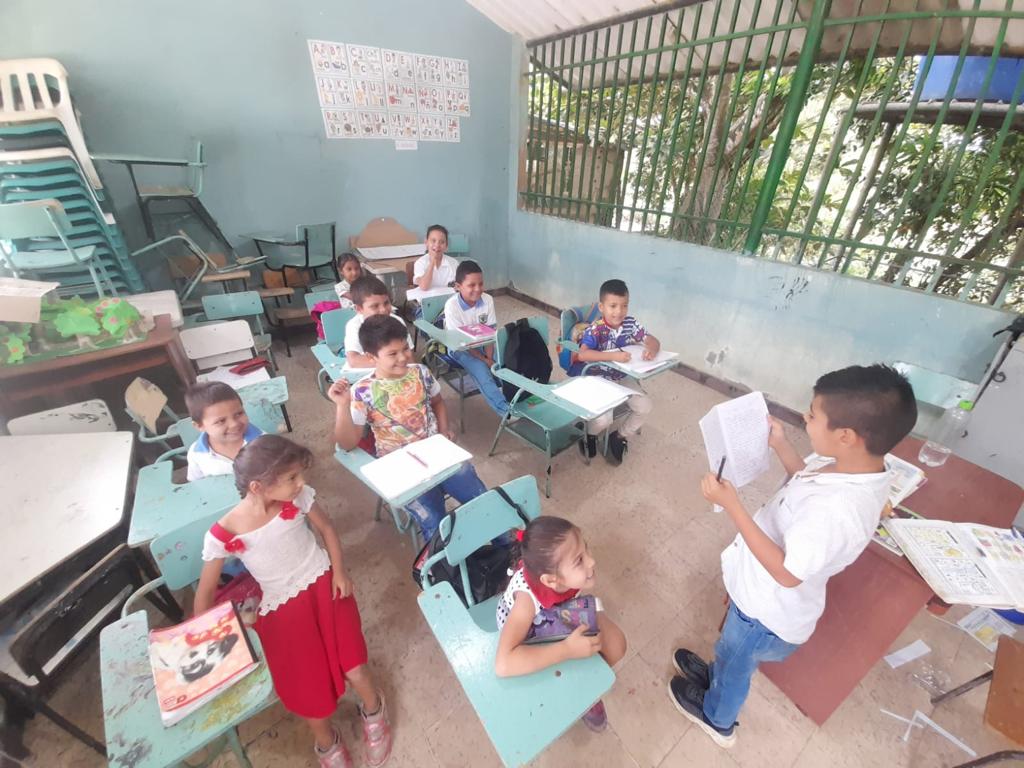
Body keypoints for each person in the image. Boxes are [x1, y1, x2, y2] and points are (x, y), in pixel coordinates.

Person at [668, 364, 917, 749]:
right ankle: (718, 674)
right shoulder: (854, 466)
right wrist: (782, 445)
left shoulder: (836, 512)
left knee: (736, 663)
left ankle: (718, 718)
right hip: (761, 599)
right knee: (730, 654)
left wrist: (732, 505)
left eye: (813, 415)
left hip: (765, 613)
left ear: (846, 436)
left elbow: (787, 573)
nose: (805, 417)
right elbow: (807, 477)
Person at [194, 435, 392, 768]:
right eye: (292, 477)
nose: (302, 482)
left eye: (300, 474)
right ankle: (326, 744)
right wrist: (223, 629)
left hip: (327, 588)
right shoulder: (224, 533)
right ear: (257, 487)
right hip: (282, 609)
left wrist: (339, 572)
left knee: (354, 666)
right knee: (307, 688)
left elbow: (327, 529)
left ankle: (374, 712)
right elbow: (204, 597)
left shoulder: (298, 497)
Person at [329, 315, 487, 541]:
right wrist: (342, 405)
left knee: (481, 499)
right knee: (434, 522)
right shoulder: (362, 391)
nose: (403, 357)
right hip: (400, 468)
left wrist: (443, 430)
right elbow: (347, 443)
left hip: (437, 453)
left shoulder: (420, 372)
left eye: (405, 348)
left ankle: (506, 545)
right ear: (371, 357)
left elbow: (438, 402)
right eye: (392, 353)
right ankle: (445, 560)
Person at [494, 515, 626, 732]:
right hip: (530, 632)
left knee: (616, 645)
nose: (592, 561)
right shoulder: (526, 602)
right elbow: (503, 664)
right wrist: (566, 650)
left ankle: (585, 687)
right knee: (575, 657)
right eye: (579, 560)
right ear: (551, 581)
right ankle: (575, 693)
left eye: (586, 549)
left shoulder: (560, 576)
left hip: (561, 612)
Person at [571, 279, 660, 465]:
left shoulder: (630, 323)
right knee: (603, 420)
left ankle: (618, 436)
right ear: (601, 307)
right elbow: (583, 354)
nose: (619, 312)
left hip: (621, 377)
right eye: (613, 306)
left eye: (624, 306)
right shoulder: (596, 329)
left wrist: (651, 349)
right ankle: (589, 435)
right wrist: (613, 356)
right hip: (599, 379)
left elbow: (652, 340)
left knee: (645, 407)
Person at [441, 259, 509, 417]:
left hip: (485, 343)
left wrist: (489, 358)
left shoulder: (487, 300)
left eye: (481, 284)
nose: (478, 289)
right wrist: (485, 360)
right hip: (460, 347)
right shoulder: (451, 306)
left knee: (505, 363)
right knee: (482, 371)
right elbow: (462, 343)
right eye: (471, 285)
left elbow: (491, 334)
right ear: (458, 286)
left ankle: (518, 398)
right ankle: (505, 410)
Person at [185, 381, 263, 481]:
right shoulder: (196, 454)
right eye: (221, 421)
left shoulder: (264, 442)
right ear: (200, 426)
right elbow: (196, 483)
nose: (234, 424)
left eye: (239, 414)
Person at [343, 276, 412, 370]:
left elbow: (410, 358)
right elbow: (354, 361)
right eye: (375, 306)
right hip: (366, 375)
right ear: (359, 309)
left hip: (397, 372)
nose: (383, 310)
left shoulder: (397, 321)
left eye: (386, 303)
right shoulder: (354, 326)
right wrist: (390, 361)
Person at [413, 224, 458, 291]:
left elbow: (459, 286)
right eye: (433, 241)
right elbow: (424, 286)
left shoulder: (453, 263)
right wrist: (432, 261)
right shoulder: (420, 263)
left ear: (446, 246)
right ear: (426, 242)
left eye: (442, 242)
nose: (437, 245)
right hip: (427, 297)